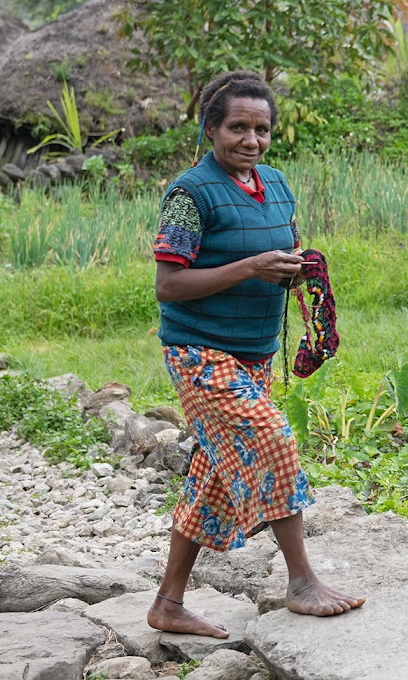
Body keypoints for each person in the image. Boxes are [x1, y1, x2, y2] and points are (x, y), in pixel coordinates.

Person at [146, 70, 363, 638]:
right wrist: (251, 267)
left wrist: (295, 271)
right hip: (199, 353)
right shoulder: (189, 194)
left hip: (256, 353)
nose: (250, 140)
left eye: (261, 129)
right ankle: (301, 582)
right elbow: (169, 285)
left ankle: (168, 604)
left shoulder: (277, 185)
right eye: (236, 127)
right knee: (271, 437)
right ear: (211, 129)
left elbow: (278, 250)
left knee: (211, 477)